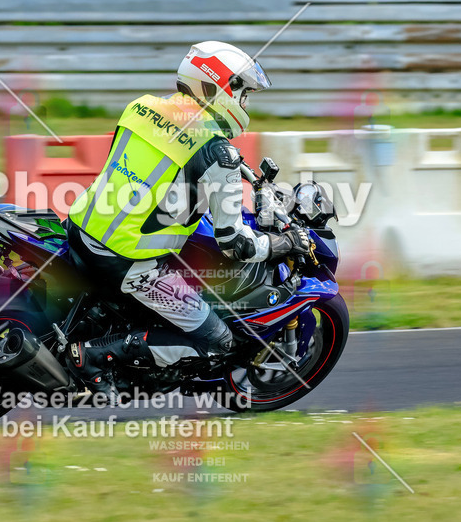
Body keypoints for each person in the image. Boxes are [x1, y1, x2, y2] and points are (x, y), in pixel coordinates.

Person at [65, 41, 311, 397]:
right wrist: (286, 242)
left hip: (81, 226)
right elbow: (236, 244)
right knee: (219, 344)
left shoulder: (141, 107)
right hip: (127, 259)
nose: (244, 105)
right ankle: (93, 356)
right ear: (218, 89)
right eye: (243, 95)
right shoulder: (217, 152)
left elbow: (167, 159)